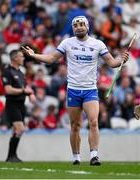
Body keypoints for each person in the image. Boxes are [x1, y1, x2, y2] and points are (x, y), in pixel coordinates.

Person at [22, 16, 129, 166]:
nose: (78, 27)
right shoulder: (67, 43)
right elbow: (52, 58)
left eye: (81, 24)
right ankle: (76, 157)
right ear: (73, 28)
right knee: (75, 126)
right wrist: (34, 55)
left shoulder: (98, 44)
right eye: (75, 25)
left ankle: (94, 156)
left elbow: (112, 63)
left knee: (93, 122)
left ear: (87, 26)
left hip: (90, 90)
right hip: (73, 89)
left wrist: (122, 59)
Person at [2, 49, 36, 162]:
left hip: (21, 104)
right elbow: (8, 90)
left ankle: (11, 156)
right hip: (12, 104)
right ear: (15, 58)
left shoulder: (21, 72)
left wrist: (30, 94)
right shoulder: (7, 71)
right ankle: (11, 156)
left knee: (15, 131)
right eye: (21, 56)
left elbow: (26, 87)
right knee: (20, 129)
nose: (23, 58)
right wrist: (24, 91)